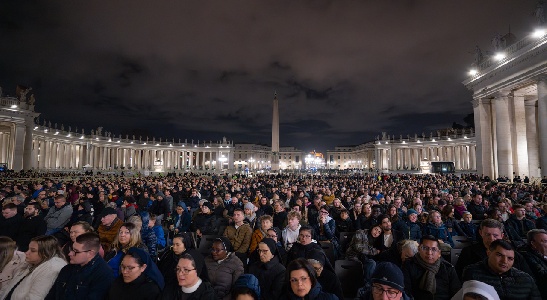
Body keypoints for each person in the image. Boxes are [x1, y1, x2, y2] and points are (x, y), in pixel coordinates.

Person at [462, 240, 541, 300]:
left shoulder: (526, 279)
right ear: (488, 253)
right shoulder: (473, 273)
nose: (504, 261)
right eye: (499, 255)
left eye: (510, 258)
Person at [455, 219, 531, 279]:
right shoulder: (468, 252)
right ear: (481, 233)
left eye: (495, 235)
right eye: (487, 234)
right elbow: (460, 276)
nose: (491, 239)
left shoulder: (514, 255)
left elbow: (527, 277)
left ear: (502, 235)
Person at [46, 232, 114, 300]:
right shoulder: (67, 268)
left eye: (76, 251)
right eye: (72, 249)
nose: (70, 253)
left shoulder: (104, 274)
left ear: (90, 253)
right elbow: (52, 295)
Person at [0, 235, 67, 300]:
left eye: (33, 250)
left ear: (45, 252)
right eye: (28, 249)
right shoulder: (31, 263)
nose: (26, 253)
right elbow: (9, 287)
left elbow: (36, 296)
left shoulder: (50, 269)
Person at [402, 235, 461, 300]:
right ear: (419, 249)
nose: (429, 253)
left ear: (439, 253)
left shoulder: (448, 269)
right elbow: (406, 292)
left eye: (434, 249)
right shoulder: (409, 265)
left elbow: (456, 294)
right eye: (425, 248)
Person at [520, 229, 547, 298]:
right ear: (533, 243)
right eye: (545, 241)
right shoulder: (526, 256)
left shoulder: (542, 253)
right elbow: (542, 275)